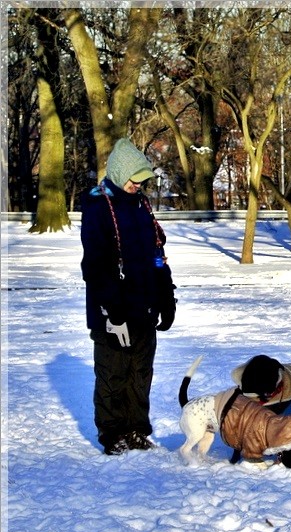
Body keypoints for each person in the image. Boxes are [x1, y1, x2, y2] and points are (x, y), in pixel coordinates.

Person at [81, 138, 177, 455]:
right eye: (134, 178)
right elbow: (95, 266)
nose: (138, 184)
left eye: (142, 178)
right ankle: (113, 434)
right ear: (120, 173)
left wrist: (166, 296)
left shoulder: (141, 206)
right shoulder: (97, 205)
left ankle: (136, 429)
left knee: (140, 373)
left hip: (143, 306)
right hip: (112, 309)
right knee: (113, 373)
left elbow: (156, 254)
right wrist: (113, 312)